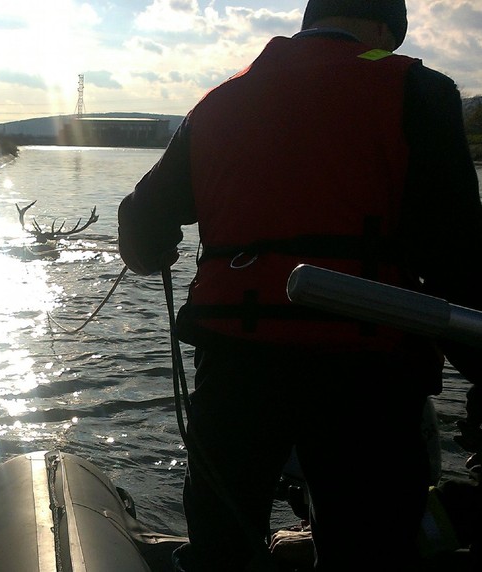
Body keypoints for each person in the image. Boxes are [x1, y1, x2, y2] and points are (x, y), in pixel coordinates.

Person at [116, 0, 482, 570]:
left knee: (222, 548)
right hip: (367, 374)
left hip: (235, 365)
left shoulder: (219, 101)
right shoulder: (420, 90)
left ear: (310, 21)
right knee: (368, 550)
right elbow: (458, 261)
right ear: (384, 28)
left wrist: (156, 249)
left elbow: (140, 225)